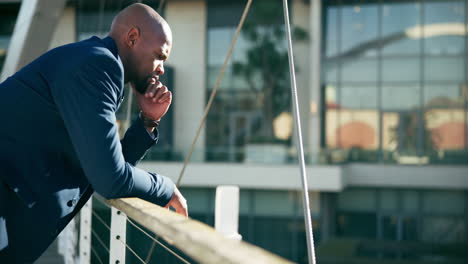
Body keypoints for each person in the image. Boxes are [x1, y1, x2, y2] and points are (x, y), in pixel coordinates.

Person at [0, 3, 187, 262]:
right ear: (132, 38)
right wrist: (165, 187)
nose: (161, 68)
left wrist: (147, 121)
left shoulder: (92, 61)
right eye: (159, 55)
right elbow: (109, 179)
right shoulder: (98, 65)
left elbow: (102, 166)